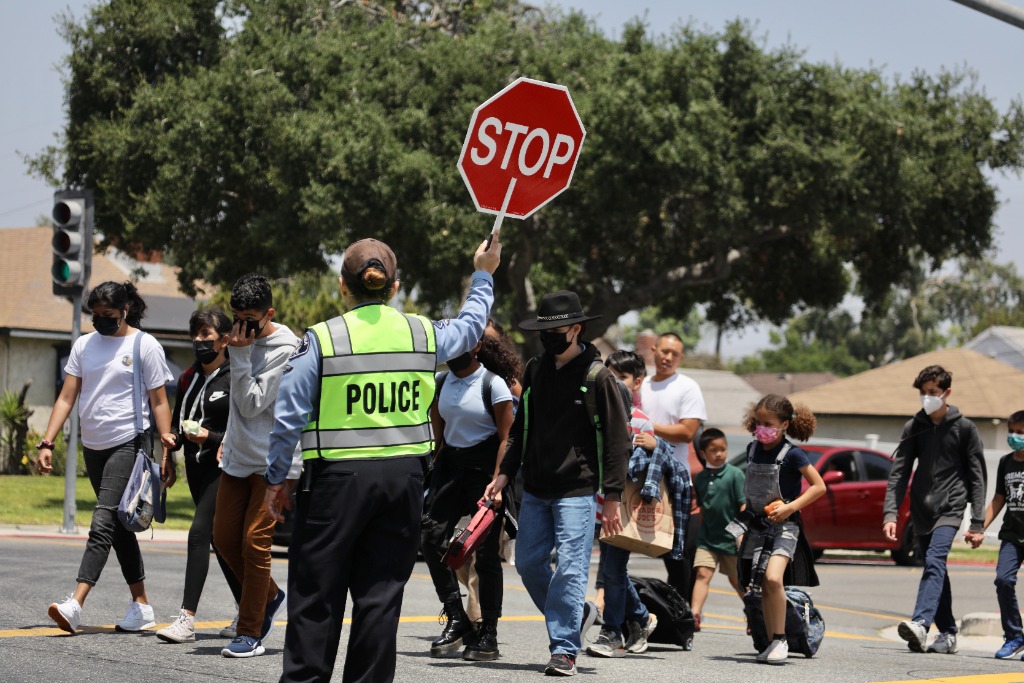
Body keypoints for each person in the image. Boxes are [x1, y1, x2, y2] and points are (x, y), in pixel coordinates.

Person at [265, 236, 501, 683]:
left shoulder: (323, 338)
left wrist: (278, 478)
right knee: (379, 599)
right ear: (394, 287)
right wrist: (484, 271)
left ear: (343, 286)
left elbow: (288, 415)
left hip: (335, 483)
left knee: (317, 598)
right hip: (403, 483)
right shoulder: (425, 333)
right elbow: (472, 327)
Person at [484, 290, 630, 677]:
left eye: (557, 331)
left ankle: (564, 647)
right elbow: (519, 429)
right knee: (530, 563)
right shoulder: (535, 369)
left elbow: (618, 440)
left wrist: (612, 496)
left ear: (577, 329)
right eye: (543, 331)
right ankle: (577, 613)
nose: (548, 338)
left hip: (577, 490)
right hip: (535, 486)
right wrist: (503, 474)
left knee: (570, 569)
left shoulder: (598, 377)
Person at [39, 281, 174, 634]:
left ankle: (76, 603)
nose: (100, 321)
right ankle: (141, 606)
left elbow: (159, 400)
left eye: (108, 316)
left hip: (127, 443)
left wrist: (166, 439)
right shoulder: (84, 345)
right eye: (95, 316)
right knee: (118, 527)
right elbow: (67, 397)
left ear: (125, 310)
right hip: (93, 445)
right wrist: (47, 442)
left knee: (102, 521)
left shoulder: (144, 345)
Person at [214, 274, 300, 658]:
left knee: (254, 543)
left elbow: (251, 403)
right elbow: (237, 408)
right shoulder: (239, 341)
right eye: (236, 318)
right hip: (237, 458)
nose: (241, 327)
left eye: (249, 319)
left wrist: (240, 352)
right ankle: (271, 594)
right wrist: (227, 443)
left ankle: (250, 632)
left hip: (272, 464)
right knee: (223, 540)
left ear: (269, 314)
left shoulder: (287, 348)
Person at [422, 334, 517, 661]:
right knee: (432, 536)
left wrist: (498, 483)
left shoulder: (493, 385)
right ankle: (456, 617)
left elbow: (507, 437)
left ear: (476, 347)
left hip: (485, 470)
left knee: (487, 554)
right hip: (451, 467)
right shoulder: (439, 381)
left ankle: (488, 634)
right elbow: (439, 427)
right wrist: (435, 465)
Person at [883, 364, 987, 655]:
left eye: (932, 392)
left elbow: (978, 477)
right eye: (923, 393)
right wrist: (890, 514)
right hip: (922, 510)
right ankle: (949, 633)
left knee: (934, 559)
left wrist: (977, 522)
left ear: (946, 392)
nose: (927, 398)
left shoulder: (965, 428)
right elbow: (899, 473)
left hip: (951, 506)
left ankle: (921, 623)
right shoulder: (914, 426)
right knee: (936, 566)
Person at [156, 309, 244, 643]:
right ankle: (251, 607)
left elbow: (241, 431)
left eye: (206, 336)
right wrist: (171, 444)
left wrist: (210, 437)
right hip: (195, 469)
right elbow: (180, 422)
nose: (198, 342)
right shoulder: (188, 378)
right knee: (221, 545)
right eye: (195, 335)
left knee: (198, 535)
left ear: (224, 339)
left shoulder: (235, 375)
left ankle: (186, 619)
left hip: (225, 468)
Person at [740, 394, 826, 664]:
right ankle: (770, 639)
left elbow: (819, 486)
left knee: (775, 579)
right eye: (758, 422)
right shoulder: (752, 449)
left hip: (785, 527)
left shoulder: (793, 454)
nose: (761, 428)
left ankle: (781, 639)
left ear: (785, 425)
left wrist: (790, 507)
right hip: (756, 525)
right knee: (761, 585)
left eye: (768, 423)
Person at [587, 350, 659, 658]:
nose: (613, 384)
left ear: (638, 382)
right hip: (595, 505)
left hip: (623, 510)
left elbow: (652, 469)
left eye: (622, 378)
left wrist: (657, 447)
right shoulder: (594, 415)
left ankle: (612, 633)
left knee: (614, 569)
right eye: (610, 377)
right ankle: (642, 618)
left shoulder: (641, 424)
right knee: (614, 572)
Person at [638, 333, 707, 604]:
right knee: (621, 545)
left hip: (674, 481)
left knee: (679, 554)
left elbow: (687, 431)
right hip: (640, 476)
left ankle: (681, 614)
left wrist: (647, 428)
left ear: (680, 358)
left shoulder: (688, 387)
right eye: (663, 351)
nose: (667, 358)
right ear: (653, 351)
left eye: (674, 354)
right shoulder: (640, 385)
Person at [969, 411, 1024, 659]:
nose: (1014, 436)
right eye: (1012, 431)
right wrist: (978, 526)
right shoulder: (1005, 462)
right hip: (1012, 534)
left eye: (1020, 432)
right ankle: (1014, 636)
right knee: (1003, 580)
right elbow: (999, 498)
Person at [690, 427, 746, 631]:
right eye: (714, 450)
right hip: (708, 538)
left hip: (731, 538)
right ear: (703, 454)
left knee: (736, 580)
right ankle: (694, 615)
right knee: (703, 574)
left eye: (723, 449)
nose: (720, 453)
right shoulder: (701, 478)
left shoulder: (735, 474)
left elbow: (743, 505)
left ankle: (753, 612)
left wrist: (741, 532)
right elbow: (704, 506)